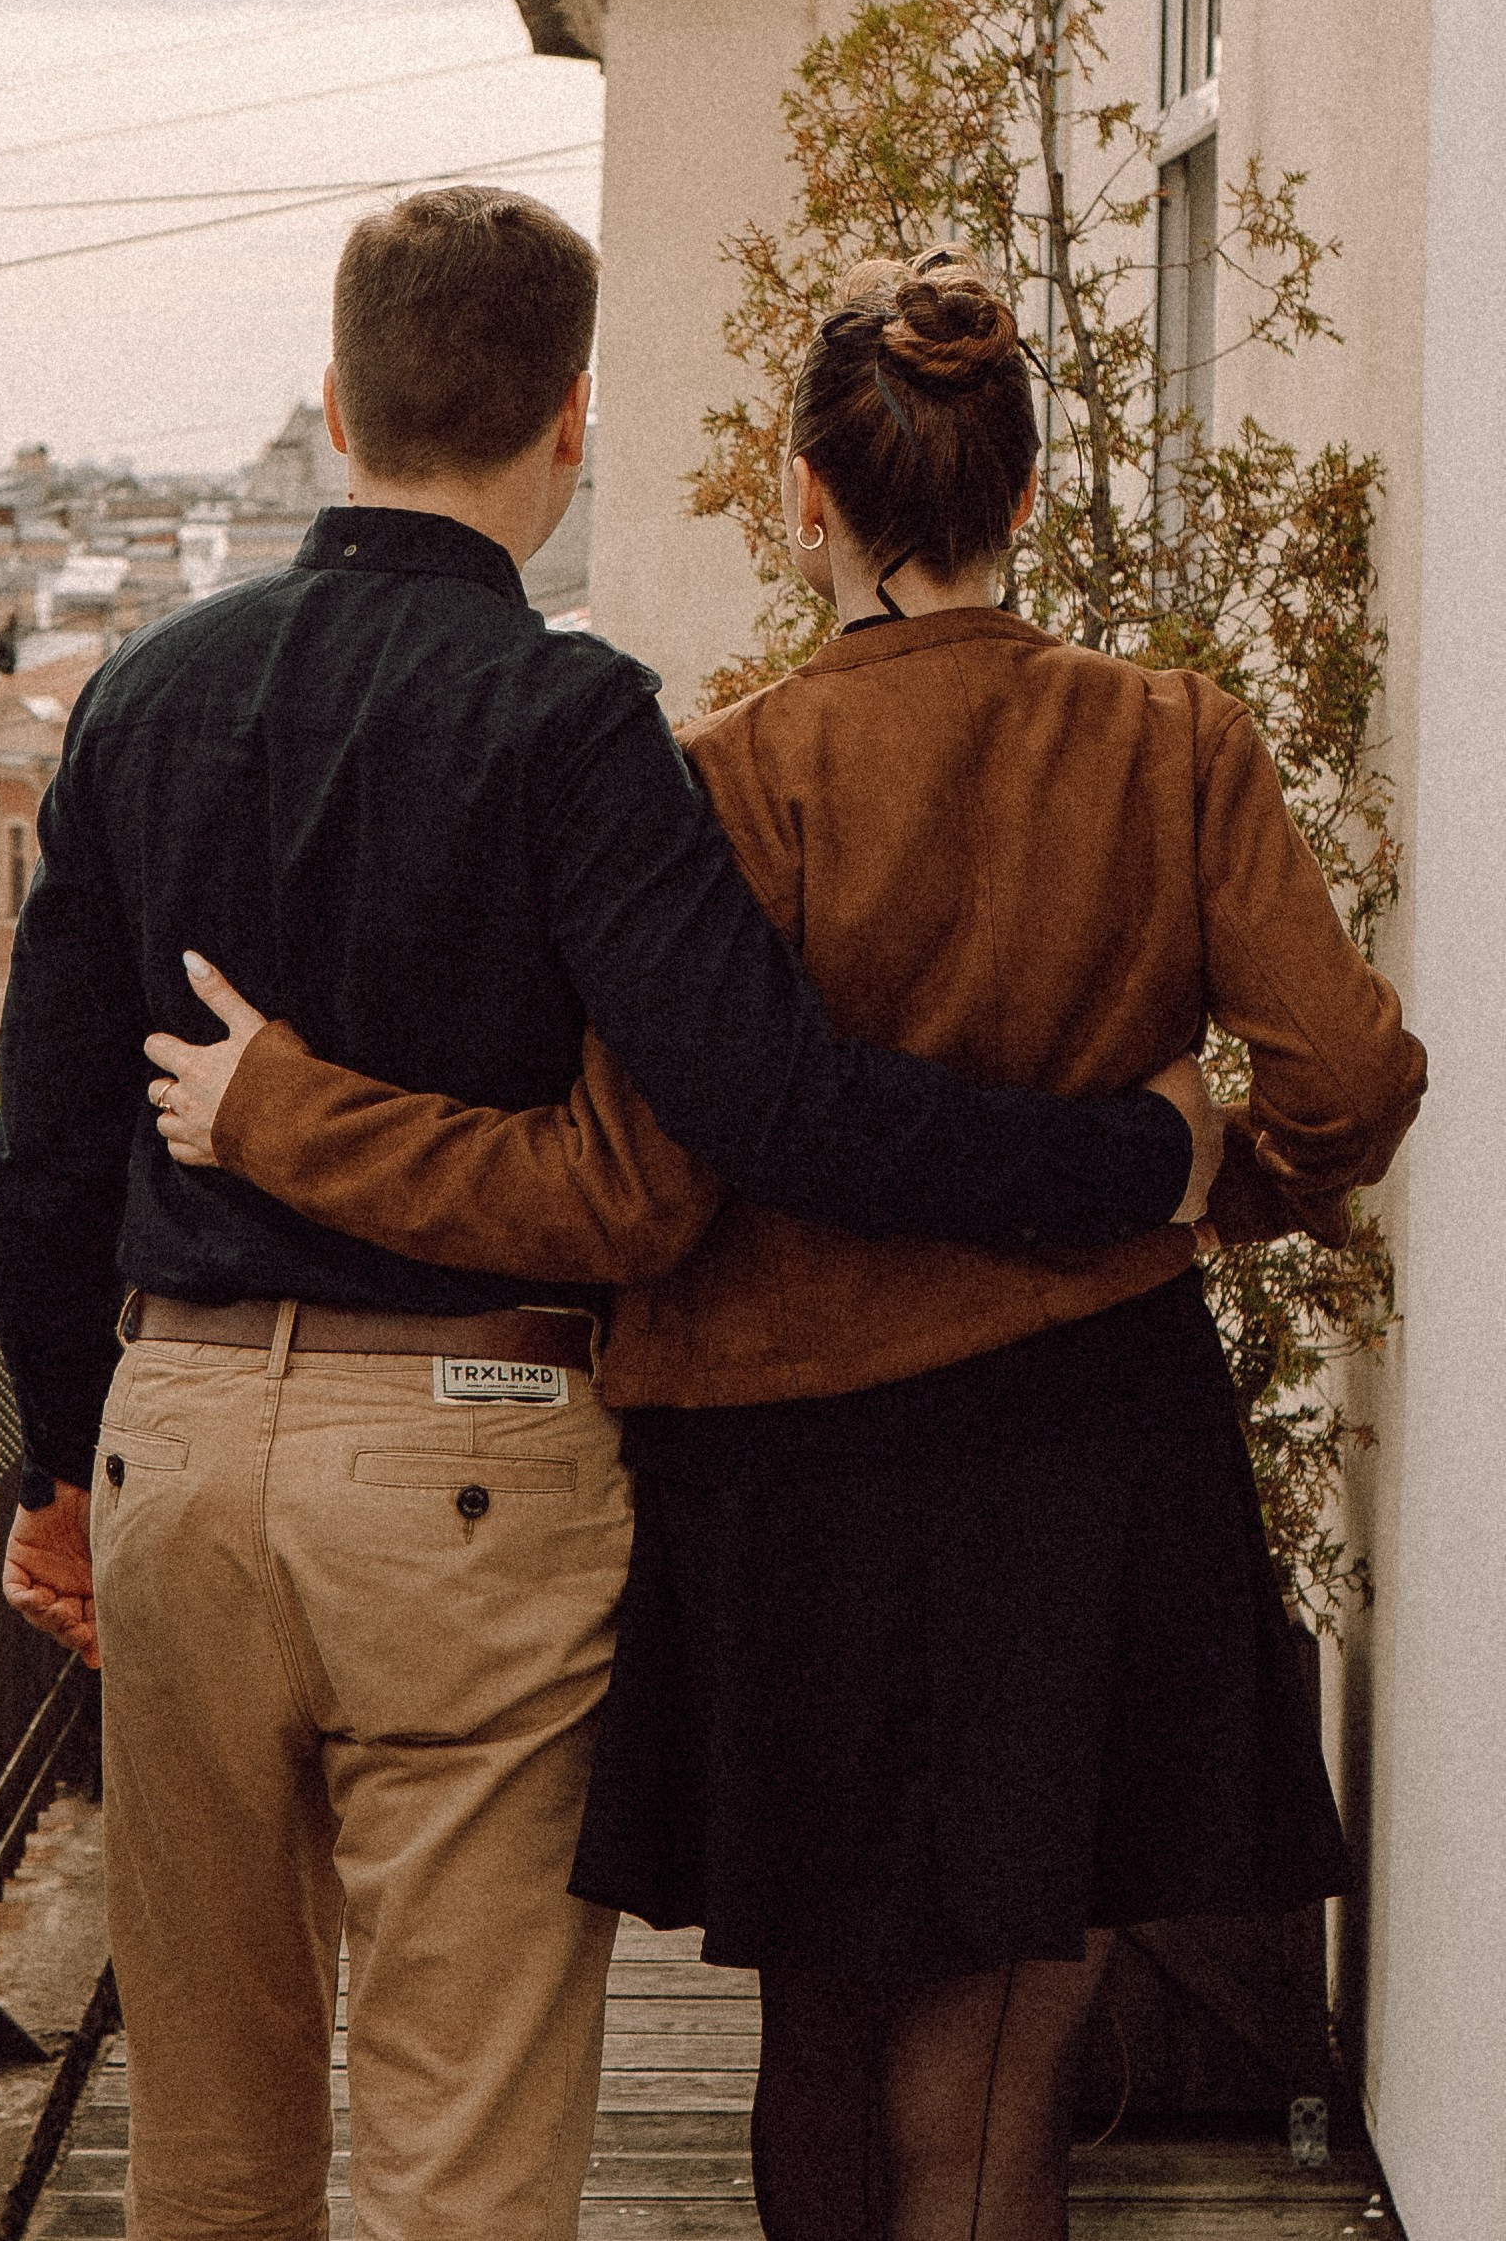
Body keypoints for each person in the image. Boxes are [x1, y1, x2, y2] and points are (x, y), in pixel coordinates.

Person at [148, 248, 1424, 2241]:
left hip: (783, 1479)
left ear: (799, 495)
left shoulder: (726, 777)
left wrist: (283, 1110)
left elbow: (620, 1188)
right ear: (1021, 492)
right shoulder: (1171, 744)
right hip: (1083, 1453)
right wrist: (1199, 1179)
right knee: (1003, 2027)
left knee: (816, 2026)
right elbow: (1343, 1070)